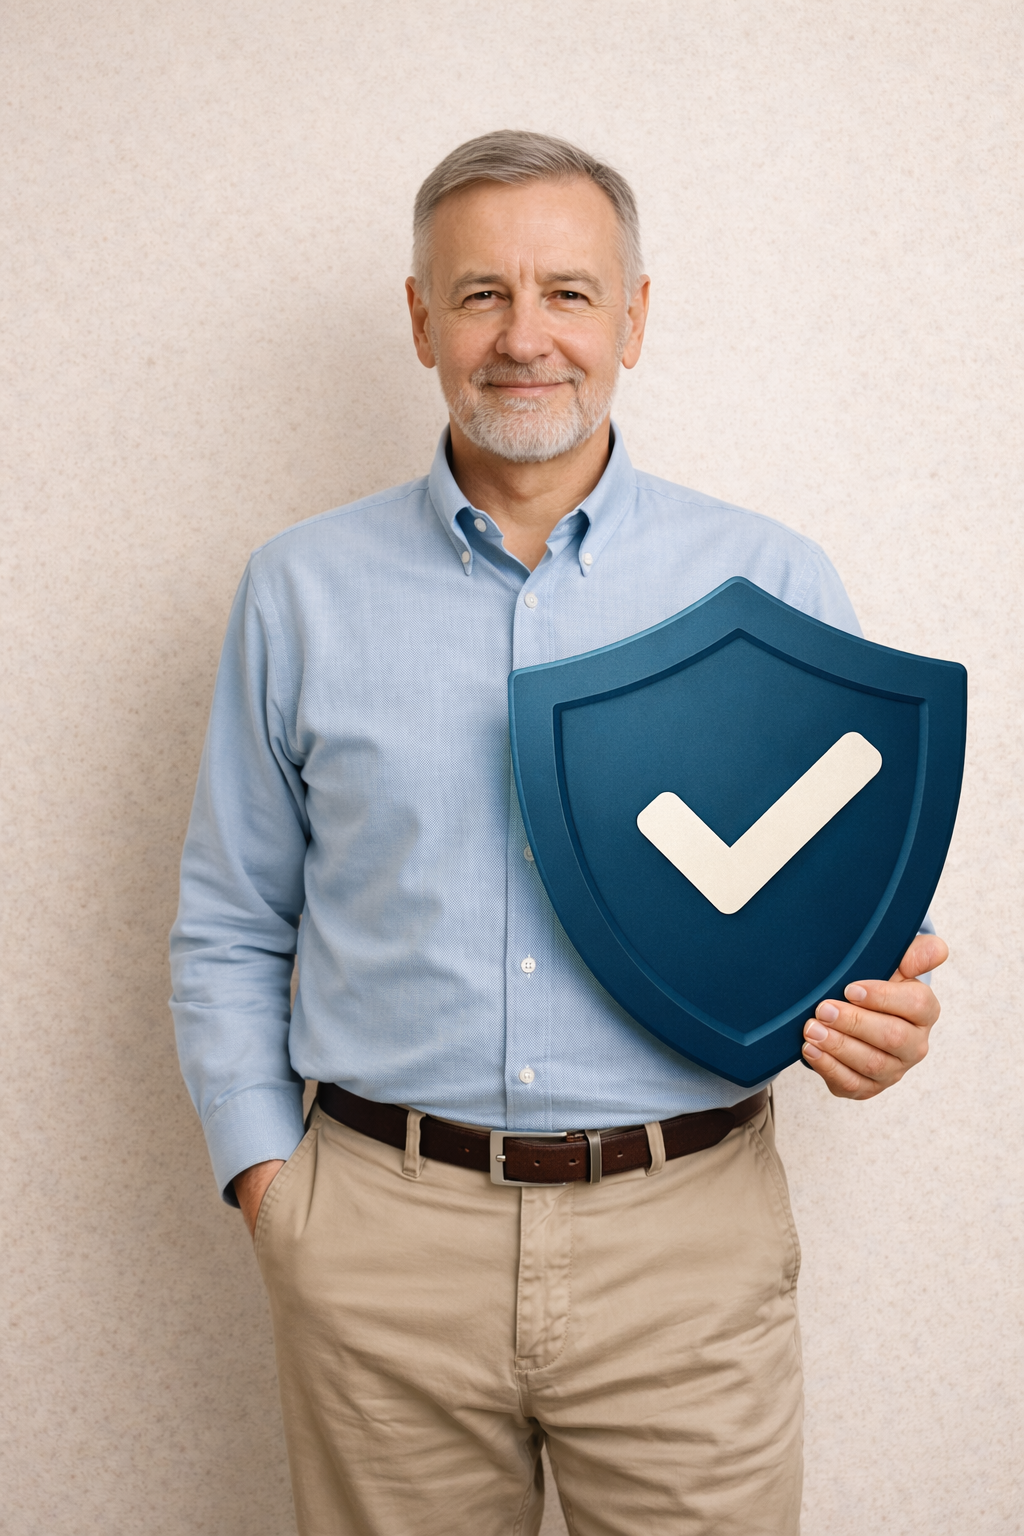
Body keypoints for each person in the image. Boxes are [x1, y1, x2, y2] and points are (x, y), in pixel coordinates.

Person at [170, 131, 946, 1536]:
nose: (527, 338)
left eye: (571, 293)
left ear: (635, 317)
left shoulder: (768, 583)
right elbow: (231, 917)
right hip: (379, 1245)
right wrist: (272, 1193)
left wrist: (874, 1027)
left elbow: (838, 926)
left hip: (686, 1246)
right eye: (480, 295)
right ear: (421, 320)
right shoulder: (298, 591)